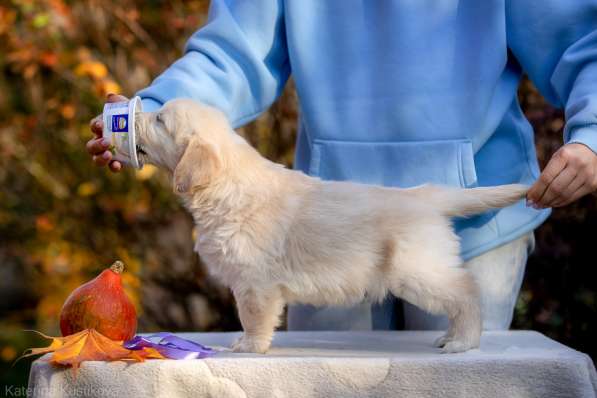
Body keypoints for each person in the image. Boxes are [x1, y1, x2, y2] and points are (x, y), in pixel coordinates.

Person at [87, 1, 597, 331]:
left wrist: (592, 137)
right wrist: (143, 122)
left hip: (473, 223)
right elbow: (233, 57)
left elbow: (580, 39)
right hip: (322, 229)